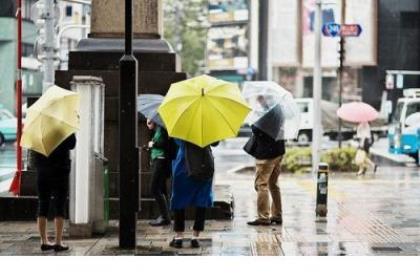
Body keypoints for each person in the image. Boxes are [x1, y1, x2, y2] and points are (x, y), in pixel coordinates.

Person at [169, 140, 216, 249]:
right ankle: (195, 237)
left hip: (183, 165)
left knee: (179, 200)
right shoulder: (208, 124)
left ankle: (179, 237)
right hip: (203, 165)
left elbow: (176, 141)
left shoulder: (181, 126)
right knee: (201, 200)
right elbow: (215, 142)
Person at [33, 133, 76, 252]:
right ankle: (58, 242)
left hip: (43, 170)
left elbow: (34, 148)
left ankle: (44, 241)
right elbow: (72, 144)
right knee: (60, 205)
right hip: (60, 170)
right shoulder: (63, 126)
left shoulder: (39, 127)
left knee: (43, 204)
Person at [244, 125, 285, 226]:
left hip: (266, 154)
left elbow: (257, 130)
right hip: (278, 151)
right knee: (273, 183)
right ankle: (277, 214)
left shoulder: (263, 114)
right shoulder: (279, 111)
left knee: (261, 184)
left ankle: (263, 217)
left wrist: (253, 125)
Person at [146, 119, 171, 226]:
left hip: (161, 161)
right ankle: (165, 216)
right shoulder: (157, 130)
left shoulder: (163, 129)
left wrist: (153, 144)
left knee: (154, 188)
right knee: (161, 188)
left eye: (150, 120)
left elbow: (165, 143)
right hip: (157, 160)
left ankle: (165, 217)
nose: (148, 121)